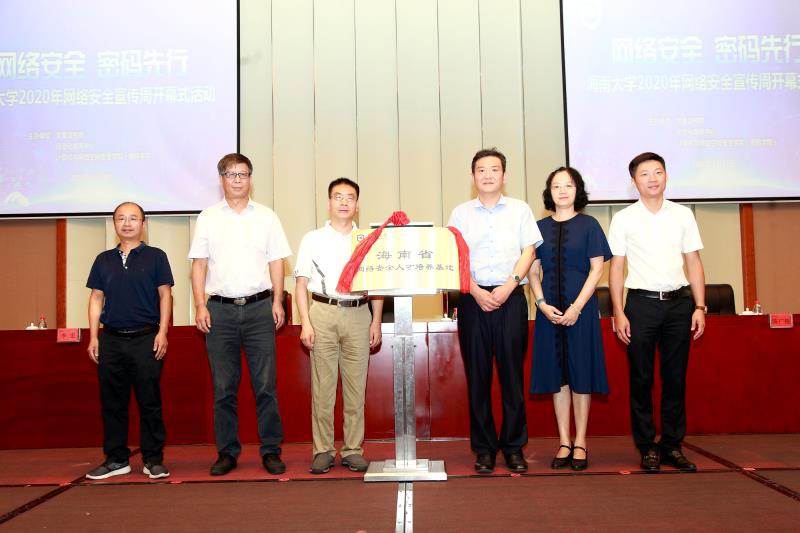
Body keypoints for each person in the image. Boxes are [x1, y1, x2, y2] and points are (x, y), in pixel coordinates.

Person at [189, 153, 292, 476]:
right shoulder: (208, 217)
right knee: (223, 388)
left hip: (261, 309)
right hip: (219, 311)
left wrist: (278, 301)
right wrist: (200, 304)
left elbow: (276, 261)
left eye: (243, 174)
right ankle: (227, 452)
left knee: (266, 386)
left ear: (250, 178)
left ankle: (271, 450)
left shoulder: (267, 216)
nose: (237, 180)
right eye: (231, 174)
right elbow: (199, 265)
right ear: (221, 179)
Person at [608, 152, 706, 473]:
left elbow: (693, 262)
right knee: (641, 379)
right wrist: (618, 311)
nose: (652, 178)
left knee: (675, 379)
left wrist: (700, 306)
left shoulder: (682, 215)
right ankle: (647, 446)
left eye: (658, 172)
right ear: (633, 181)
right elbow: (616, 268)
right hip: (641, 305)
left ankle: (672, 446)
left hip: (679, 305)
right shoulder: (623, 218)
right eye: (645, 173)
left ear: (666, 176)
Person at [447, 148, 542, 474]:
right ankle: (484, 449)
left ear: (504, 175)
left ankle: (514, 447)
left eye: (494, 169)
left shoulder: (520, 210)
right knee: (478, 378)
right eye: (481, 170)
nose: (487, 175)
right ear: (473, 177)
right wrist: (475, 291)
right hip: (473, 300)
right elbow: (454, 257)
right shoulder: (460, 214)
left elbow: (529, 252)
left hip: (510, 298)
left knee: (512, 377)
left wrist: (509, 285)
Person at [294, 177, 384, 474]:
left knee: (356, 388)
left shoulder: (368, 240)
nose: (344, 202)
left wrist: (376, 321)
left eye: (350, 197)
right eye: (338, 197)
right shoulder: (312, 239)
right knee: (323, 388)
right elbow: (301, 284)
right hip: (323, 312)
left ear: (357, 205)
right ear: (329, 202)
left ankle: (353, 449)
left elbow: (377, 285)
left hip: (359, 314)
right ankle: (323, 450)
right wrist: (305, 323)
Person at [528, 167, 611, 471]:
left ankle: (581, 441)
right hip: (548, 310)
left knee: (580, 373)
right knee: (557, 375)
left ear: (578, 190)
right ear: (549, 192)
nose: (562, 191)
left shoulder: (590, 225)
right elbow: (532, 271)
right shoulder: (538, 228)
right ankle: (564, 440)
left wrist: (576, 307)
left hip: (582, 309)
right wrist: (541, 304)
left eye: (568, 185)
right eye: (556, 186)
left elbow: (597, 270)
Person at [85, 202, 174, 480]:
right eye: (121, 218)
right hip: (111, 340)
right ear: (114, 224)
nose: (127, 223)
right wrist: (93, 336)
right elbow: (96, 298)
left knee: (149, 401)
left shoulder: (156, 257)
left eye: (133, 218)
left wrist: (162, 332)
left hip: (146, 339)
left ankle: (153, 459)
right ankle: (116, 460)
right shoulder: (103, 260)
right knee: (112, 403)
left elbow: (165, 295)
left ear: (143, 224)